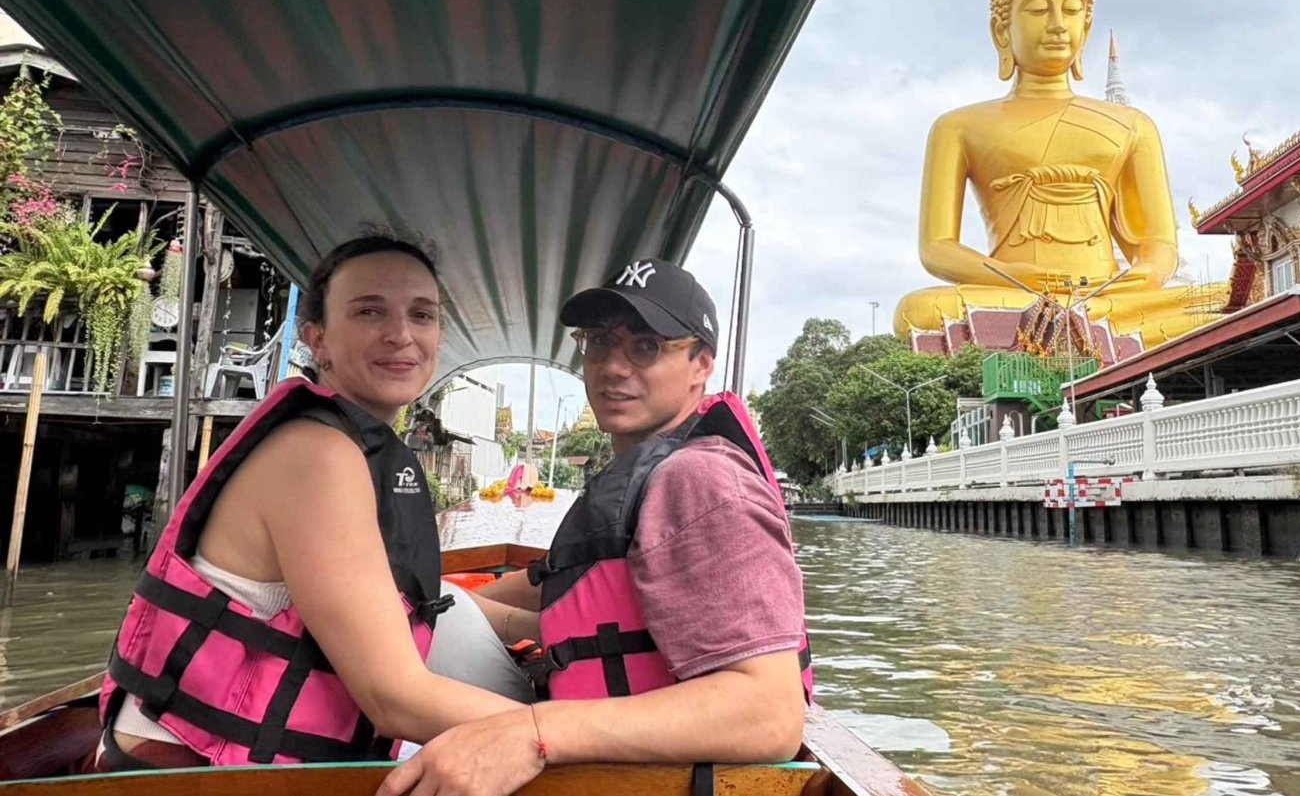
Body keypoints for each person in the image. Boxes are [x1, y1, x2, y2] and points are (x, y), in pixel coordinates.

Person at [95, 236, 534, 771]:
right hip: (185, 771)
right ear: (316, 338)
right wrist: (562, 733)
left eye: (423, 315)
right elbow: (393, 698)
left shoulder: (357, 448)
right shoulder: (317, 454)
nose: (402, 335)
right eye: (370, 311)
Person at [380, 259, 811, 796]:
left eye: (647, 347)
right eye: (601, 342)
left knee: (418, 623)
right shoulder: (644, 473)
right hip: (603, 753)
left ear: (701, 363)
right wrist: (463, 604)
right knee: (429, 606)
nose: (613, 367)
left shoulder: (702, 480)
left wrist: (534, 732)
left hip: (647, 782)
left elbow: (768, 713)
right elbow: (574, 588)